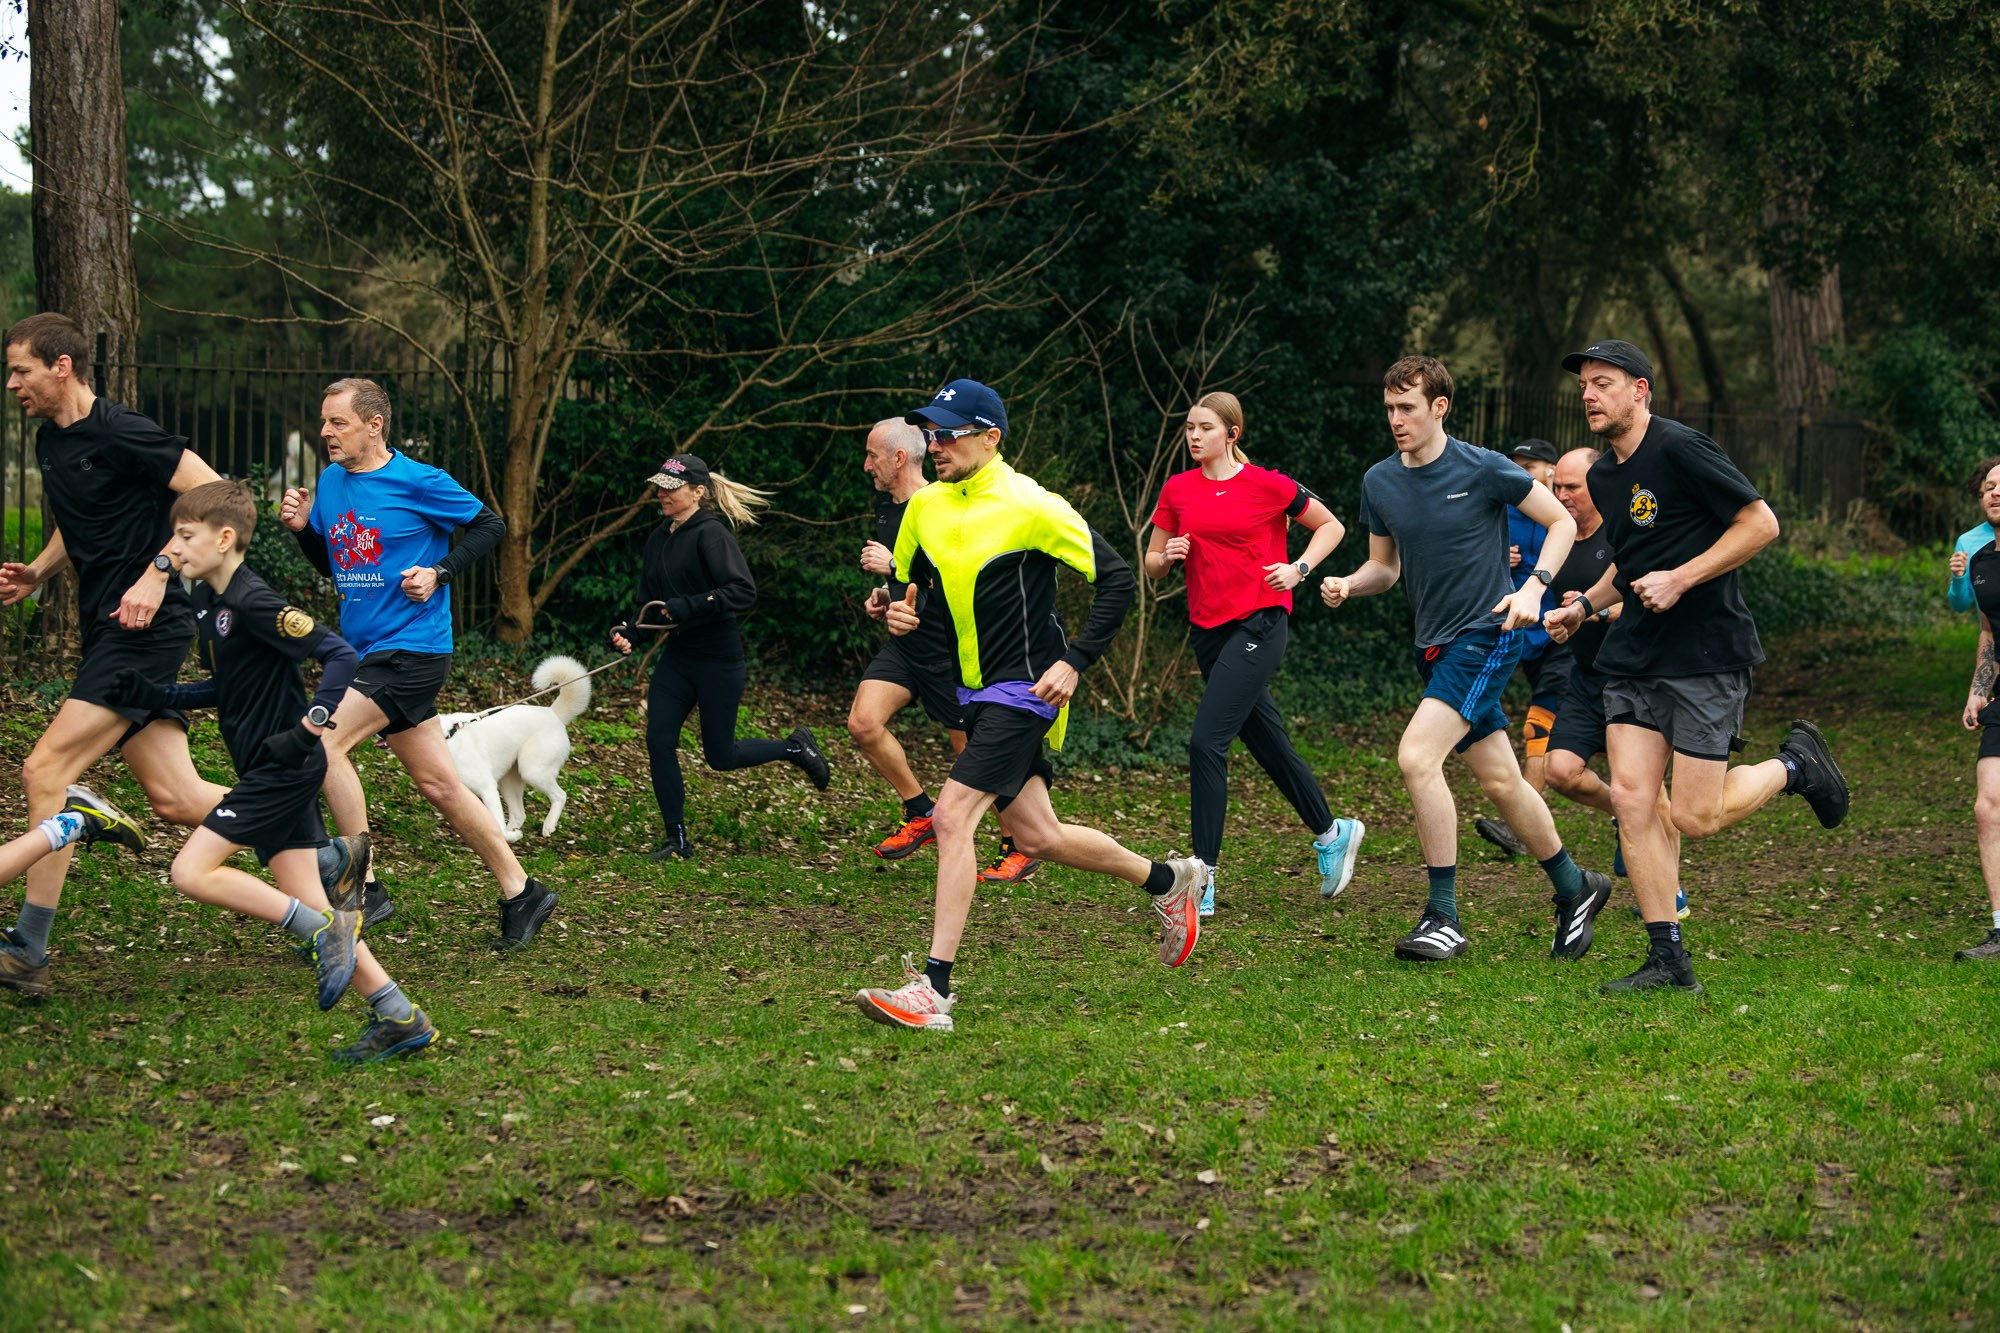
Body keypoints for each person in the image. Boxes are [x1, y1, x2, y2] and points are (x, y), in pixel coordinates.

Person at [852, 379, 1205, 1033]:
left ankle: (933, 989)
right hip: (973, 694)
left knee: (954, 816)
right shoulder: (925, 509)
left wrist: (1075, 661)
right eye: (933, 432)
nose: (939, 442)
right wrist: (894, 608)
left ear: (992, 438)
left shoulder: (1031, 505)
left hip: (1028, 688)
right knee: (1039, 834)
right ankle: (1170, 880)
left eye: (952, 432)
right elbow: (914, 585)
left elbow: (1118, 579)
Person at [1545, 339, 1848, 995]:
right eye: (1584, 387)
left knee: (1695, 815)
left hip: (1705, 653)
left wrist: (1682, 578)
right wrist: (1585, 606)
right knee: (1632, 799)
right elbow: (1628, 563)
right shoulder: (1602, 477)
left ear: (1640, 390)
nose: (1590, 395)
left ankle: (1796, 766)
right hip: (1635, 656)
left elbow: (1760, 523)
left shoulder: (1683, 449)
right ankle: (1668, 961)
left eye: (1603, 383)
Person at [105, 481, 435, 1060]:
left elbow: (341, 655)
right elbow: (228, 689)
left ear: (224, 538)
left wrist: (309, 728)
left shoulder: (253, 600)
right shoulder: (209, 602)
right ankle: (398, 1015)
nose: (174, 550)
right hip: (267, 767)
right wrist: (158, 693)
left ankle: (323, 929)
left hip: (283, 772)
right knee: (307, 896)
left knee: (190, 873)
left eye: (186, 537)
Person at [1319, 355, 1612, 965]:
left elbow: (1560, 521)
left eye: (1407, 408)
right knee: (1503, 780)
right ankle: (1575, 887)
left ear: (1439, 408)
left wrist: (1534, 587)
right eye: (1390, 409)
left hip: (1486, 633)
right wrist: (1350, 581)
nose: (1396, 420)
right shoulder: (1381, 482)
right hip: (1434, 645)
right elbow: (1387, 566)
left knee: (1416, 757)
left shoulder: (1484, 468)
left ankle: (1443, 916)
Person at [0, 313, 234, 995]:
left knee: (46, 768)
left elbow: (216, 495)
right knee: (177, 796)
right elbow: (82, 522)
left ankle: (28, 949)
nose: (13, 383)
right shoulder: (52, 441)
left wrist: (161, 566)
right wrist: (40, 571)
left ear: (62, 366)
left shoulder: (121, 429)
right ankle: (326, 847)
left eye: (22, 370)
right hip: (109, 627)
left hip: (149, 626)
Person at [280, 377, 558, 950]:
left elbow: (490, 525)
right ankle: (521, 890)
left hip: (414, 648)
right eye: (325, 421)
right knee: (441, 784)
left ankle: (364, 886)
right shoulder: (331, 483)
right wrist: (305, 531)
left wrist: (440, 573)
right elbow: (337, 566)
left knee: (323, 742)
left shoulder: (418, 480)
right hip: (367, 651)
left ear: (374, 424)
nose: (326, 432)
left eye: (339, 422)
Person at [1142, 390, 1362, 916]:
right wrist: (1166, 556)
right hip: (1208, 630)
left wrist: (1299, 569)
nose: (1194, 436)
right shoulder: (1178, 489)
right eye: (1190, 427)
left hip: (1261, 621)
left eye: (1205, 428)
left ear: (1231, 434)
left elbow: (1331, 526)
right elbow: (1151, 562)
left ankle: (1203, 876)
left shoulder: (1268, 484)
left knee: (1206, 742)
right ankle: (1333, 833)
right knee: (1267, 742)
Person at [610, 454, 829, 859]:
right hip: (679, 659)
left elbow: (742, 591)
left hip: (718, 660)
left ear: (698, 492)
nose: (662, 494)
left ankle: (794, 747)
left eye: (671, 488)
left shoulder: (711, 535)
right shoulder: (659, 537)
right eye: (659, 487)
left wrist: (689, 606)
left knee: (720, 756)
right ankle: (676, 840)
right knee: (659, 741)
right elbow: (650, 604)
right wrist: (631, 633)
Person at [847, 419, 1034, 883]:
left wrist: (892, 565)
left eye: (872, 456)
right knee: (863, 723)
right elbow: (908, 585)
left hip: (947, 653)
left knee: (971, 753)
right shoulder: (887, 508)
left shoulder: (939, 505)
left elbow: (945, 578)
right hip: (905, 646)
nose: (866, 464)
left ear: (898, 458)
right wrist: (884, 595)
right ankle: (921, 811)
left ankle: (1017, 844)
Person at [1540, 448, 1689, 920]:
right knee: (1560, 771)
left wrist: (1591, 607)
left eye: (1572, 487)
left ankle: (1673, 888)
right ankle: (1623, 810)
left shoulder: (1621, 535)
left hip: (1632, 676)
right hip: (1585, 678)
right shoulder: (1559, 538)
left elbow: (1648, 599)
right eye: (1557, 487)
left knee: (1653, 792)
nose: (1562, 496)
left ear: (1597, 485)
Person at [1474, 438, 1565, 859]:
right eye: (1517, 465)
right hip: (1521, 632)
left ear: (1552, 469)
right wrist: (1500, 557)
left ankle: (1519, 829)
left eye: (1531, 466)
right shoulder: (1506, 507)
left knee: (1537, 728)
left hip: (1563, 633)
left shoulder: (1569, 510)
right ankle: (1629, 812)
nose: (1522, 472)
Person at [1952, 460, 2000, 962]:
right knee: (1988, 808)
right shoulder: (1982, 560)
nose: (1996, 492)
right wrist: (1978, 689)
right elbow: (1989, 631)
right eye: (1989, 486)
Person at [1946, 455, 2000, 615]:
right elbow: (1960, 605)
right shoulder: (1967, 541)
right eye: (1982, 494)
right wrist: (1958, 578)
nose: (1990, 496)